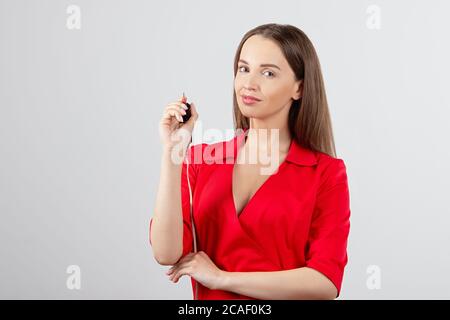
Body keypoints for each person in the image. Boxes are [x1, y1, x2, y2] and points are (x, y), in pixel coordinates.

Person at [149, 23, 351, 300]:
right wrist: (172, 153)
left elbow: (325, 282)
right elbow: (165, 252)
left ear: (299, 88)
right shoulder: (200, 161)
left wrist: (222, 279)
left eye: (267, 73)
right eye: (244, 69)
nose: (249, 83)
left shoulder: (326, 173)